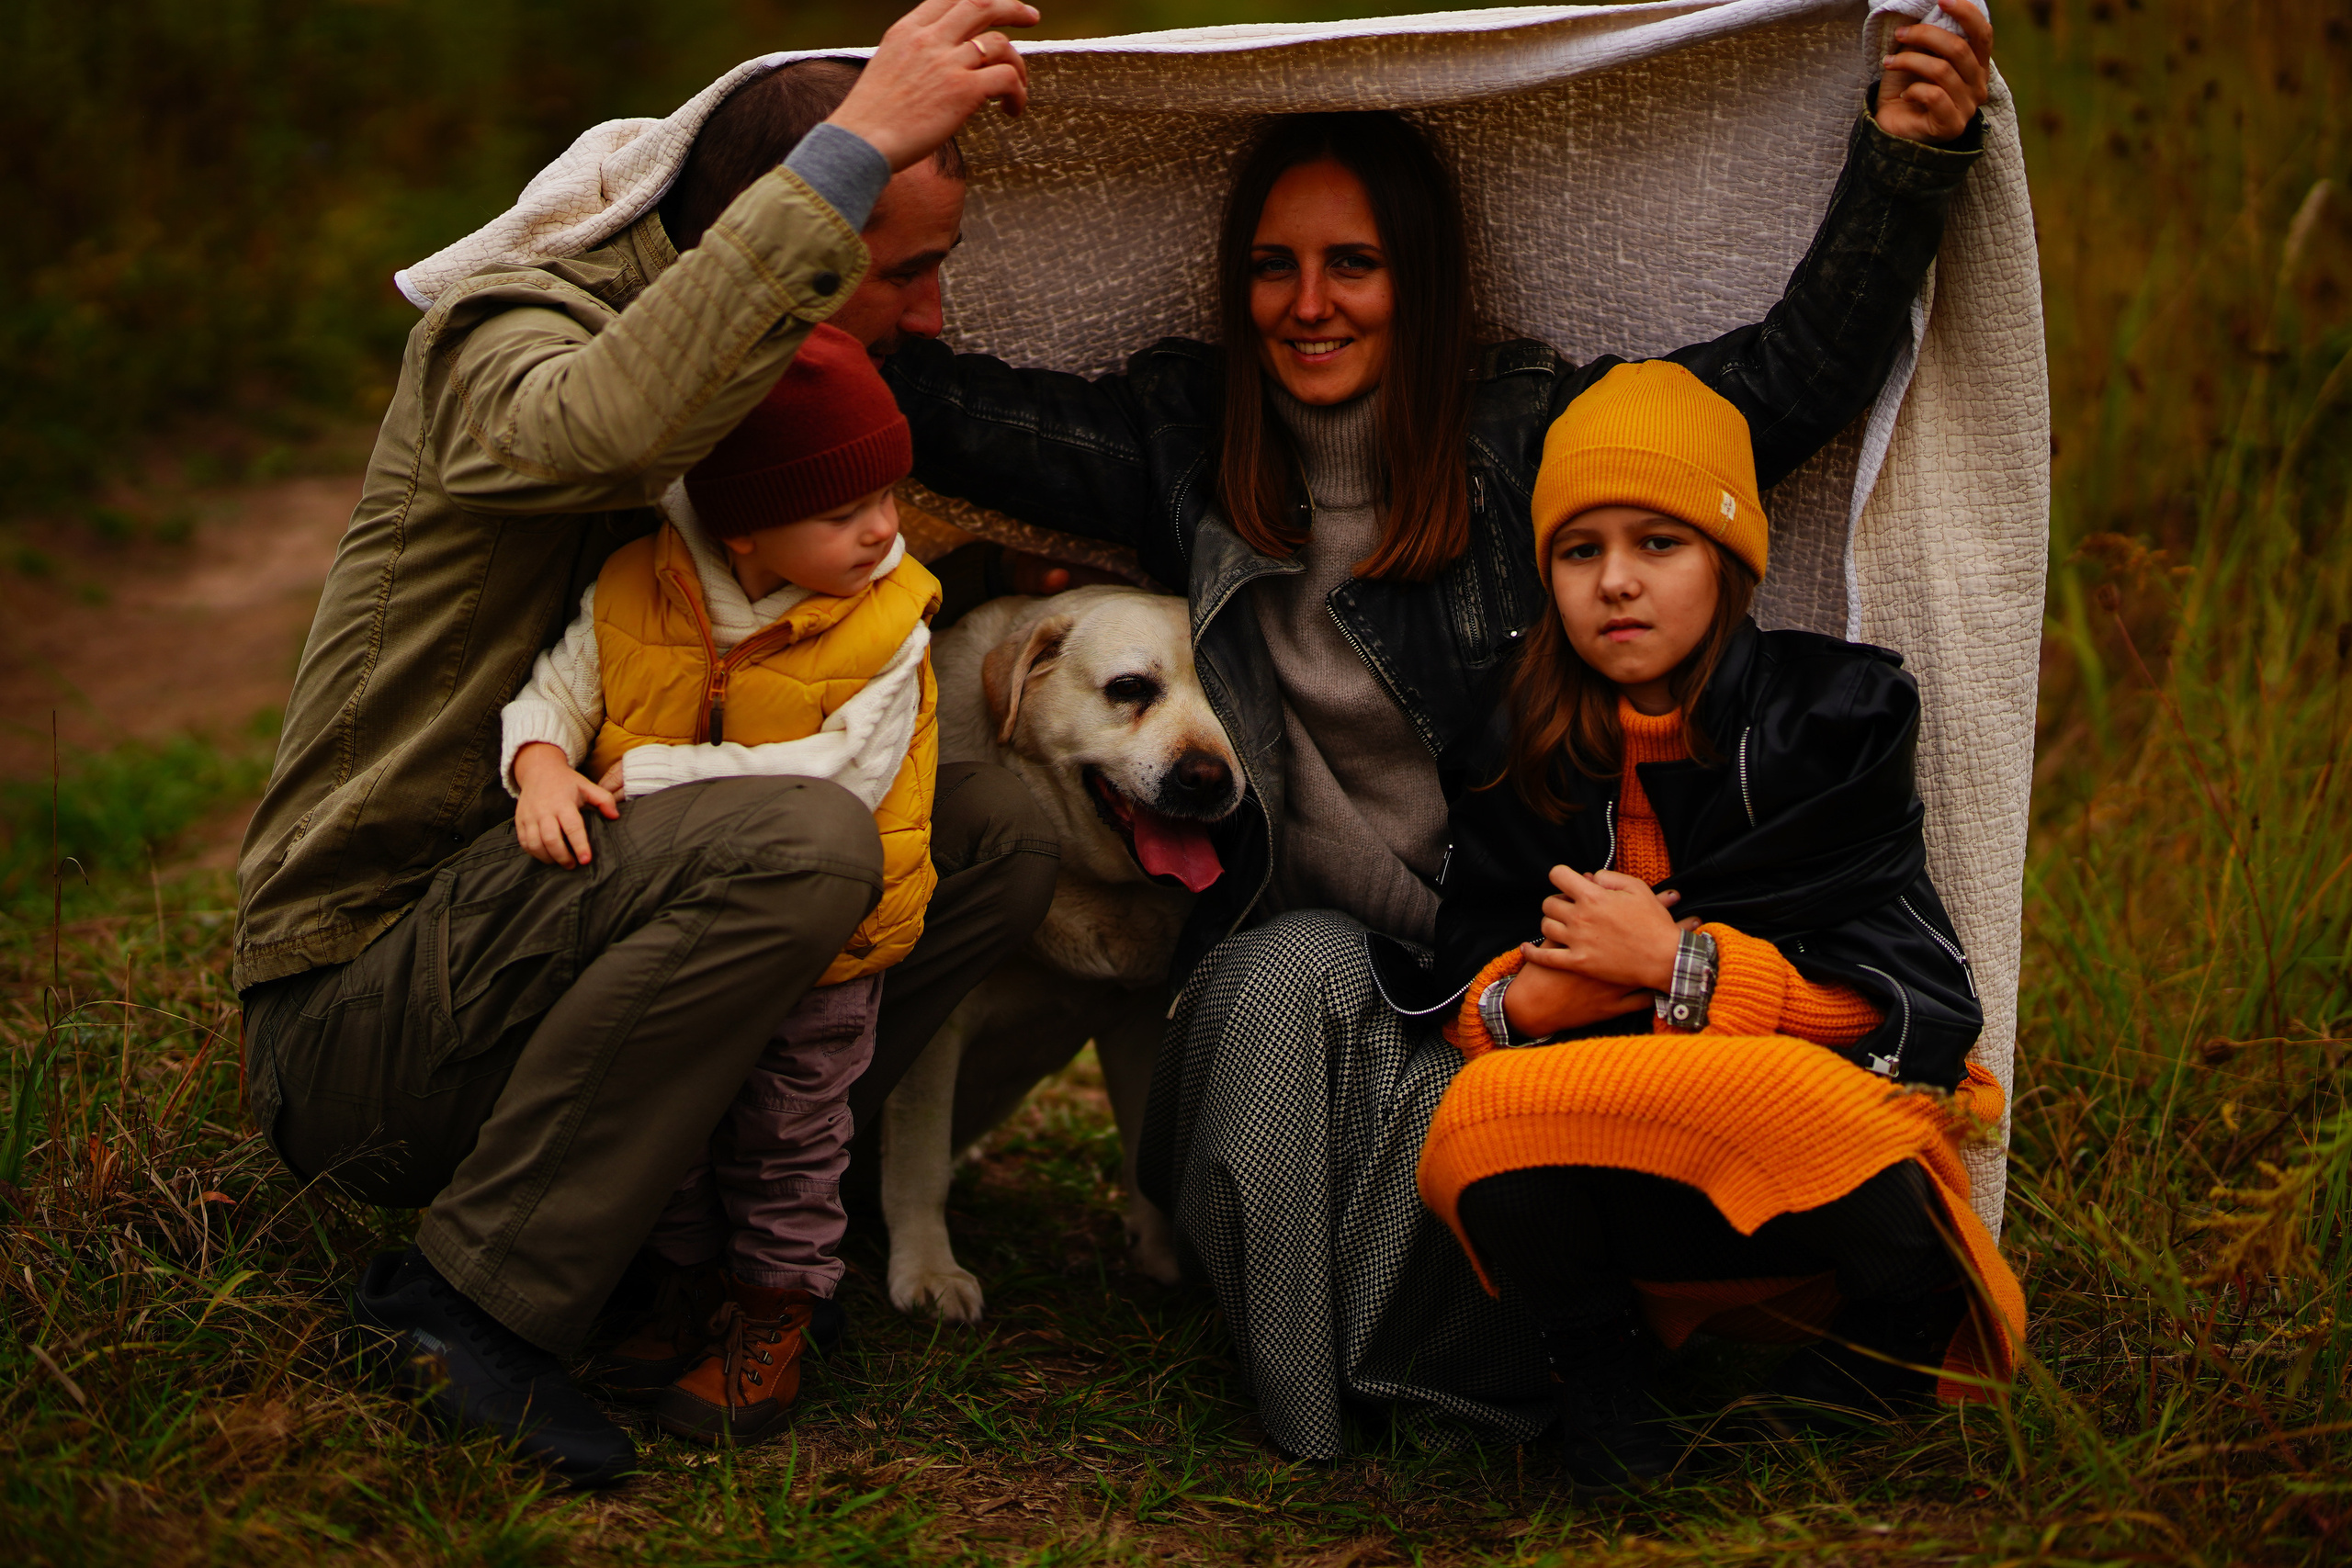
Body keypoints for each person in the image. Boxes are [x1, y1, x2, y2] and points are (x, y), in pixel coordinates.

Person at [884, 6, 2000, 1456]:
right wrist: (841, 177)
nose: (1310, 303)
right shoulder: (1187, 438)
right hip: (1318, 961)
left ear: (1423, 283)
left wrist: (1909, 159)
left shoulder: (1530, 430)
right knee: (1285, 973)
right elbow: (928, 411)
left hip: (1517, 953)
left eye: (1354, 263)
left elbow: (1779, 391)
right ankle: (1329, 1423)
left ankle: (1550, 1375)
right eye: (1273, 267)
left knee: (1525, 1131)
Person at [232, 0, 1048, 1488]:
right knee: (808, 834)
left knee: (995, 814)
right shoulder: (504, 333)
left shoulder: (745, 373)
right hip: (367, 1011)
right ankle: (472, 1298)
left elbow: (787, 597)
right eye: (904, 265)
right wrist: (858, 142)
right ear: (780, 230)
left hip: (564, 931)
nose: (927, 313)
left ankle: (739, 1238)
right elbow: (599, 434)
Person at [1409, 360, 2020, 1490]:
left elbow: (1916, 1005)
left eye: (1660, 543)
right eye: (1580, 550)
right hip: (1624, 1158)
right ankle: (1603, 1380)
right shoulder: (1513, 734)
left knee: (1807, 1095)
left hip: (1801, 1164)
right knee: (1477, 1121)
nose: (1616, 584)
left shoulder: (1830, 719)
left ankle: (1893, 1343)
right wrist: (1529, 1001)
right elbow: (1469, 973)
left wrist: (1678, 970)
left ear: (1729, 560)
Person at [492, 327, 938, 1446]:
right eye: (844, 513)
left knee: (788, 1132)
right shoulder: (637, 583)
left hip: (827, 941)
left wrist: (646, 773)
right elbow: (556, 686)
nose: (882, 528)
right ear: (742, 526)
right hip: (680, 926)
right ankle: (682, 1285)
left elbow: (839, 775)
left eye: (887, 494)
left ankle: (776, 1307)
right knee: (673, 1108)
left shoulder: (891, 622)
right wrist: (539, 761)